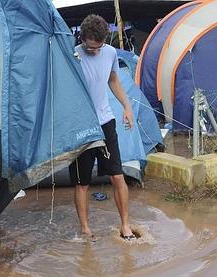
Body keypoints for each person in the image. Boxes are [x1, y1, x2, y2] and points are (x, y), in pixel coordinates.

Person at [69, 14, 135, 241]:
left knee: (117, 176)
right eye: (91, 48)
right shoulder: (73, 55)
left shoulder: (110, 52)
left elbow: (113, 80)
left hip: (106, 122)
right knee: (82, 183)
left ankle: (125, 225)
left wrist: (127, 107)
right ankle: (86, 229)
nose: (96, 51)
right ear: (83, 38)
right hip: (82, 127)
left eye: (99, 47)